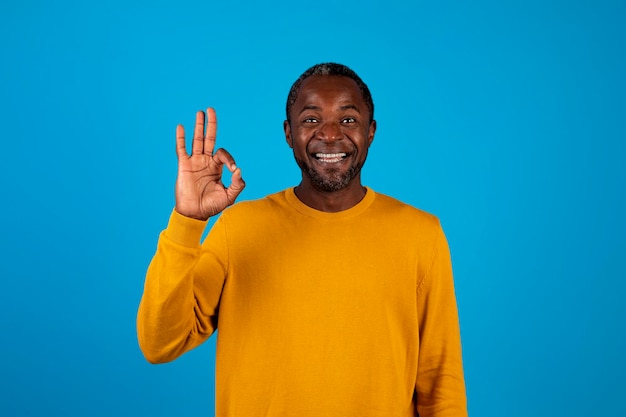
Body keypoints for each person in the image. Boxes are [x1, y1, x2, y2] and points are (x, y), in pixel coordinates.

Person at [137, 63, 468, 416]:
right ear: (288, 133)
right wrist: (188, 220)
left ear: (370, 132)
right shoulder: (239, 229)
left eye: (348, 119)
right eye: (311, 120)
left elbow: (441, 386)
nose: (329, 134)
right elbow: (160, 343)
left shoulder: (420, 235)